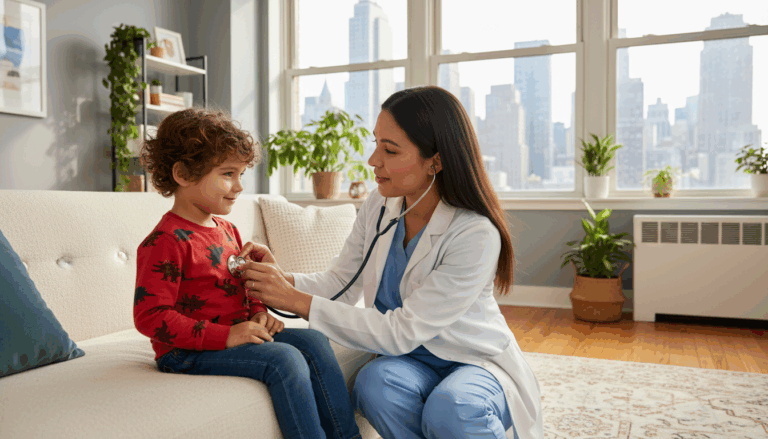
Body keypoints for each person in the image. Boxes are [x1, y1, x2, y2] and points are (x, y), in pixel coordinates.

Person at [235, 86, 544, 439]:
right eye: (376, 144)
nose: (372, 160)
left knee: (454, 407)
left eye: (390, 149)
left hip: (472, 358)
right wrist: (282, 280)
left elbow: (401, 331)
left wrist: (295, 301)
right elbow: (341, 283)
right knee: (374, 385)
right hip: (412, 361)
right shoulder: (379, 206)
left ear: (436, 162)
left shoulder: (474, 233)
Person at [133, 108, 362, 439]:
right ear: (183, 173)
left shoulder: (227, 229)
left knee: (312, 340)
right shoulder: (166, 240)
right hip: (185, 352)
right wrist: (226, 336)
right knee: (283, 359)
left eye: (241, 174)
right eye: (228, 174)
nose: (239, 186)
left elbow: (242, 285)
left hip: (234, 335)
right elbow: (150, 316)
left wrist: (258, 314)